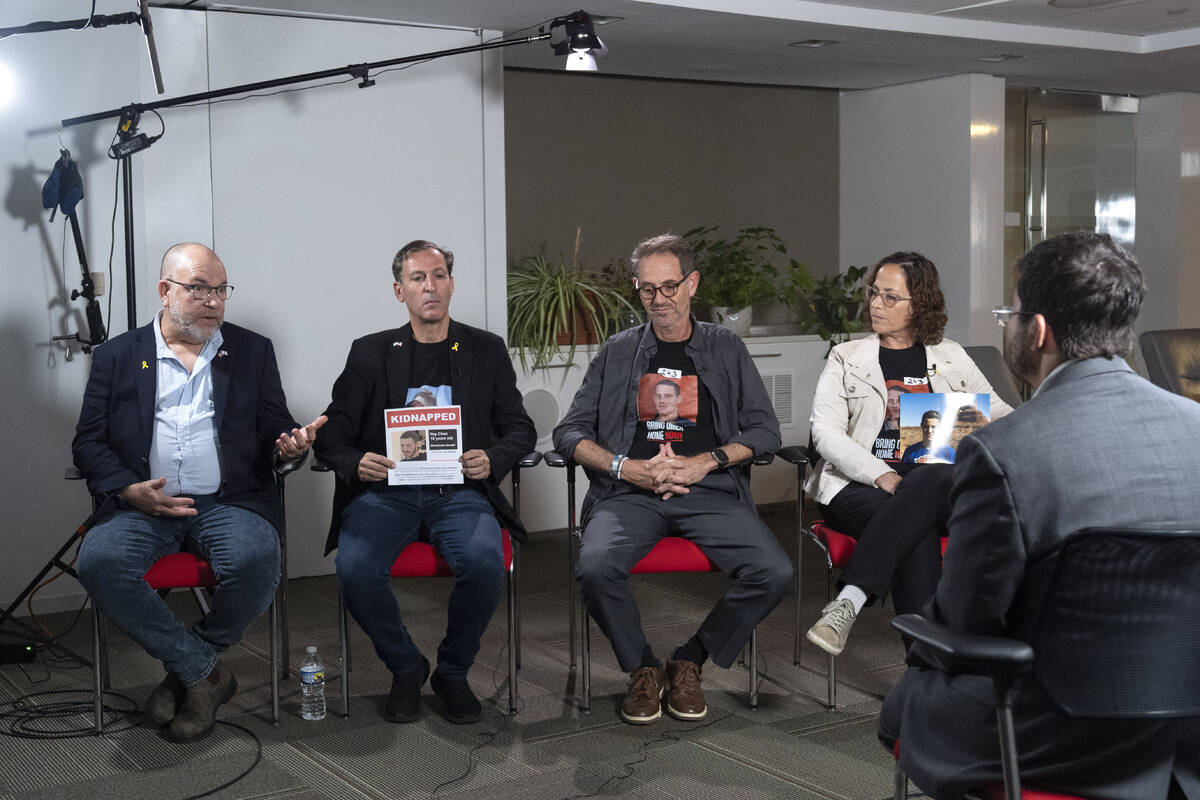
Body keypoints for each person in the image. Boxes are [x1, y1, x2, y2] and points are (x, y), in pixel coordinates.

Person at [879, 231, 1200, 800]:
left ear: (1040, 330)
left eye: (1011, 313)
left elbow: (967, 623)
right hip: (1181, 735)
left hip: (1042, 738)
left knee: (911, 693)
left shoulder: (1002, 451)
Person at [72, 243, 323, 742]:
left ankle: (188, 671)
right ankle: (206, 674)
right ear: (165, 291)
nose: (213, 301)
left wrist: (289, 444)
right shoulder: (118, 356)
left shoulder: (252, 350)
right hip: (144, 505)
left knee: (255, 558)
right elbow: (88, 441)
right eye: (199, 289)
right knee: (98, 562)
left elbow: (274, 422)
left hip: (227, 501)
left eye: (221, 290)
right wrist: (127, 488)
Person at [553, 233, 792, 725]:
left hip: (708, 490)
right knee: (595, 567)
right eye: (647, 290)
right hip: (630, 493)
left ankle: (690, 660)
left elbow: (765, 430)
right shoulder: (618, 351)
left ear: (692, 284)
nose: (659, 300)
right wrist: (625, 467)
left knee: (775, 571)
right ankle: (643, 669)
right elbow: (568, 431)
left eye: (669, 287)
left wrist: (707, 461)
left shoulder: (724, 346)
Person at [315, 239, 535, 725]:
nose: (429, 286)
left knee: (484, 562)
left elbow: (520, 429)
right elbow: (332, 435)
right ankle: (405, 666)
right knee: (354, 570)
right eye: (417, 278)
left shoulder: (485, 349)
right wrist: (357, 462)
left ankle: (452, 672)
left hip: (458, 492)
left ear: (451, 284)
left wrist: (492, 458)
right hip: (384, 495)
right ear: (400, 290)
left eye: (438, 276)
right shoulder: (370, 353)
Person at [804, 251, 1012, 657]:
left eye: (889, 297)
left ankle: (851, 597)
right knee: (917, 527)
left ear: (919, 303)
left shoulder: (951, 355)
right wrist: (879, 473)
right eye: (874, 293)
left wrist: (1038, 422)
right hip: (858, 485)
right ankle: (926, 664)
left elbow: (999, 414)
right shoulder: (848, 358)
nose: (875, 305)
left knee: (931, 478)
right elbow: (825, 433)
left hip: (933, 483)